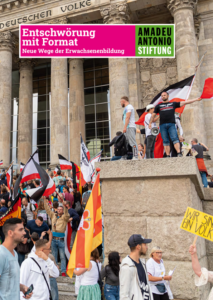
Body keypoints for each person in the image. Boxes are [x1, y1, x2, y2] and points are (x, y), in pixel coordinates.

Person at [149, 91, 201, 157]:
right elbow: (153, 115)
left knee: (175, 139)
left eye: (164, 95)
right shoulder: (158, 106)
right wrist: (150, 123)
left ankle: (179, 153)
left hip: (171, 124)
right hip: (162, 125)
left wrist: (196, 99)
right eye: (162, 96)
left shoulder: (173, 104)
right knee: (165, 141)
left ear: (168, 96)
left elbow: (185, 102)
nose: (163, 96)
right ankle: (167, 155)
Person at [0, 218, 33, 300]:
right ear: (10, 233)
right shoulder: (1, 254)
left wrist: (22, 288)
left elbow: (7, 282)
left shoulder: (15, 254)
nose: (24, 233)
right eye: (21, 230)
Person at [120, 234, 153, 300]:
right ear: (138, 247)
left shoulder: (142, 263)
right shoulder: (127, 266)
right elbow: (124, 295)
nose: (147, 247)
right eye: (145, 245)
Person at [44, 198, 70, 276]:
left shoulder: (65, 217)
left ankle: (63, 271)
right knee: (54, 256)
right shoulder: (53, 215)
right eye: (58, 209)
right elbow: (48, 210)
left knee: (62, 257)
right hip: (53, 239)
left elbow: (66, 213)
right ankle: (54, 271)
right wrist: (45, 201)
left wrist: (64, 205)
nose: (59, 210)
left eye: (60, 209)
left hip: (60, 240)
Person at [120, 96, 138, 160]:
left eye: (120, 102)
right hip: (127, 127)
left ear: (123, 101)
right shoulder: (126, 108)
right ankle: (125, 156)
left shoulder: (129, 107)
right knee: (126, 141)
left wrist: (125, 127)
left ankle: (135, 156)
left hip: (130, 127)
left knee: (132, 141)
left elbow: (128, 117)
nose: (120, 103)